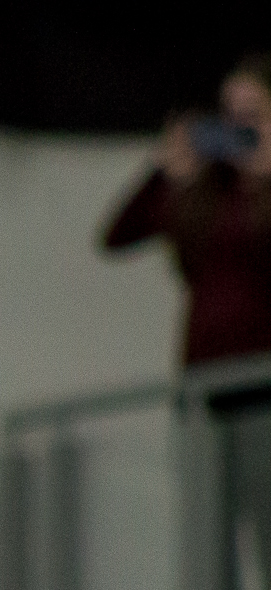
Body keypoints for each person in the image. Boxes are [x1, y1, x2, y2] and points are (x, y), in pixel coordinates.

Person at [103, 55, 271, 366]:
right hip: (204, 367)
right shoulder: (211, 194)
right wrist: (165, 173)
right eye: (229, 117)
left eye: (252, 116)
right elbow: (117, 237)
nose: (239, 130)